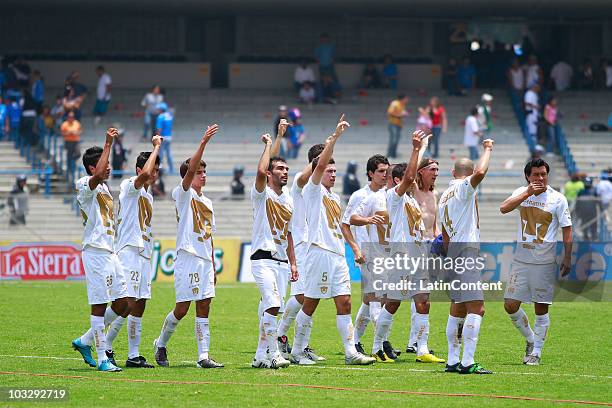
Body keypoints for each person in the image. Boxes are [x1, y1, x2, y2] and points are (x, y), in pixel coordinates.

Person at [290, 115, 375, 366]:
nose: (333, 174)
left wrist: (353, 248)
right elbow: (317, 168)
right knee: (311, 302)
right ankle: (296, 350)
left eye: (336, 171)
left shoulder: (335, 197)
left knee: (345, 301)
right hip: (319, 251)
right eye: (330, 170)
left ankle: (350, 352)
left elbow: (341, 226)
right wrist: (335, 137)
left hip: (337, 254)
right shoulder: (312, 189)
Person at [153, 124, 223, 369]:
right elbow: (191, 168)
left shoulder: (208, 202)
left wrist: (213, 265)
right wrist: (203, 143)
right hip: (187, 256)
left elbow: (210, 236)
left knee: (205, 306)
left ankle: (203, 356)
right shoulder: (182, 194)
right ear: (188, 175)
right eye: (199, 172)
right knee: (182, 308)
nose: (203, 175)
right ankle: (160, 344)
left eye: (204, 172)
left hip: (204, 259)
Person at [370, 132, 444, 364]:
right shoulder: (394, 196)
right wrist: (415, 150)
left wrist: (422, 147)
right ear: (397, 181)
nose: (412, 182)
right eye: (407, 180)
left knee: (423, 300)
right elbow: (412, 173)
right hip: (401, 257)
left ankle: (421, 349)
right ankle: (376, 346)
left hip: (417, 257)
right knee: (393, 302)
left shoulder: (411, 200)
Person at [500, 158, 573, 365]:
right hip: (521, 260)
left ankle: (537, 353)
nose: (541, 178)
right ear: (527, 176)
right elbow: (504, 208)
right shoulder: (521, 193)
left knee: (541, 308)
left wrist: (567, 257)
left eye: (543, 174)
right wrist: (527, 193)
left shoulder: (558, 199)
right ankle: (531, 339)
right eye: (536, 174)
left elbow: (567, 229)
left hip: (544, 260)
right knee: (510, 305)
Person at [71, 128, 129, 373]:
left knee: (125, 303)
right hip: (95, 252)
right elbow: (94, 180)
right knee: (98, 304)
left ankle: (84, 341)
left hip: (111, 252)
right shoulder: (85, 184)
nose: (108, 167)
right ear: (91, 168)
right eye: (102, 165)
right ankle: (103, 358)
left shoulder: (105, 190)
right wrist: (108, 144)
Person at [104, 136, 162, 368]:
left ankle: (133, 354)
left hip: (143, 252)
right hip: (129, 250)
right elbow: (144, 177)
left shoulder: (147, 195)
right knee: (126, 302)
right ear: (139, 169)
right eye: (152, 169)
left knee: (139, 304)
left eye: (158, 170)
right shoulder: (129, 186)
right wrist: (157, 146)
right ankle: (99, 341)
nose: (155, 173)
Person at [439, 138, 494, 375]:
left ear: (452, 172)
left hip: (453, 252)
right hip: (466, 252)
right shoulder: (464, 188)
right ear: (468, 175)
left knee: (458, 307)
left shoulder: (443, 196)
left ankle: (452, 360)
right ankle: (468, 361)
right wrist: (488, 149)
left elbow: (443, 232)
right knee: (477, 308)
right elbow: (481, 171)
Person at [250, 119, 297, 370]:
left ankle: (259, 355)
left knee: (272, 309)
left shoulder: (288, 199)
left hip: (281, 261)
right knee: (272, 305)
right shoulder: (261, 194)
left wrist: (293, 263)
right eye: (279, 169)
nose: (285, 172)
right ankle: (274, 352)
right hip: (262, 258)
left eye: (286, 169)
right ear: (270, 174)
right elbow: (261, 172)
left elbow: (288, 233)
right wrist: (269, 144)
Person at [277, 143, 326, 363]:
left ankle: (302, 345)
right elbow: (301, 177)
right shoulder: (299, 184)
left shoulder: (320, 188)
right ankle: (280, 334)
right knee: (302, 295)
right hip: (299, 245)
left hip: (315, 246)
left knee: (311, 296)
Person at [341, 154, 392, 359]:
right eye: (380, 171)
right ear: (370, 173)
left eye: (386, 171)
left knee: (370, 298)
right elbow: (346, 224)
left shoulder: (386, 195)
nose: (384, 174)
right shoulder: (360, 196)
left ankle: (356, 341)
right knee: (377, 300)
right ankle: (381, 344)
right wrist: (355, 250)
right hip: (367, 253)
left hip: (383, 253)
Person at [60, 111, 82, 185]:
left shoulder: (77, 123)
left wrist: (76, 133)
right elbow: (62, 133)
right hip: (68, 141)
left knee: (78, 153)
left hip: (76, 141)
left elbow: (80, 131)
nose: (71, 118)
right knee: (69, 155)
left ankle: (74, 160)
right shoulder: (64, 124)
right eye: (69, 117)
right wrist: (69, 133)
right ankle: (70, 168)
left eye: (72, 117)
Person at [386, 94, 409, 158]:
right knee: (393, 139)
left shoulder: (402, 105)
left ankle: (393, 154)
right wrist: (400, 115)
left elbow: (400, 112)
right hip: (393, 124)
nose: (407, 100)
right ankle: (390, 154)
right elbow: (390, 113)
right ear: (403, 99)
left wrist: (404, 114)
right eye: (406, 99)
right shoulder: (395, 103)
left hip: (398, 124)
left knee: (396, 139)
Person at [155, 102, 174, 174]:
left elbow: (159, 128)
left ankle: (160, 169)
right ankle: (171, 168)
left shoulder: (160, 117)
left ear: (161, 109)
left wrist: (158, 137)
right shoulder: (169, 116)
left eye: (158, 109)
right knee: (169, 153)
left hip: (162, 137)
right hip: (169, 137)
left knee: (160, 153)